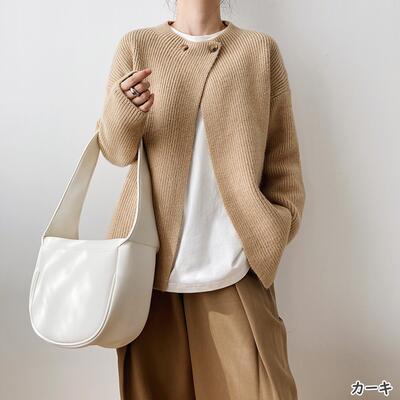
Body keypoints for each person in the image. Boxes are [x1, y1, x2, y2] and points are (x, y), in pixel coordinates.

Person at [95, 1, 306, 399]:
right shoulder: (137, 45)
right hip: (149, 276)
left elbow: (283, 158)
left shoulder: (259, 51)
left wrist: (275, 226)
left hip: (236, 267)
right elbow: (116, 151)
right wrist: (125, 109)